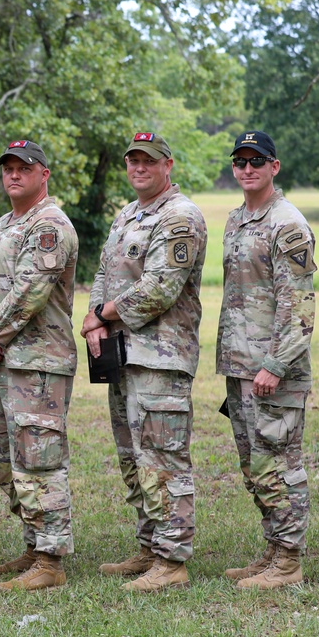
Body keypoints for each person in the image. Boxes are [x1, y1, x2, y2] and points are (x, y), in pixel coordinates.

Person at [81, 132, 207, 592]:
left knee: (163, 459)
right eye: (133, 160)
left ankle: (172, 562)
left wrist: (100, 314)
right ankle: (151, 545)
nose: (139, 167)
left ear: (167, 165)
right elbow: (104, 272)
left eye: (148, 161)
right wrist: (96, 319)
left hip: (161, 356)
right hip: (122, 354)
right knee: (134, 457)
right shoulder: (128, 214)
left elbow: (159, 287)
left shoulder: (180, 217)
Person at [0, 139, 79, 592]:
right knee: (8, 461)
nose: (14, 174)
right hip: (8, 362)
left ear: (43, 174)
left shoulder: (50, 225)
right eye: (8, 167)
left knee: (40, 459)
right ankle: (35, 545)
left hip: (40, 361)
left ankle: (51, 561)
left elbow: (30, 292)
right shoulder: (2, 225)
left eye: (24, 168)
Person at [217, 130, 316, 589]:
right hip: (240, 367)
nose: (248, 168)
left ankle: (289, 563)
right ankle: (274, 550)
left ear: (274, 167)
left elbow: (298, 306)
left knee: (279, 464)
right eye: (240, 161)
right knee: (255, 466)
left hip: (274, 370)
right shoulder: (238, 219)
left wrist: (274, 365)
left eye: (257, 160)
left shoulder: (287, 223)